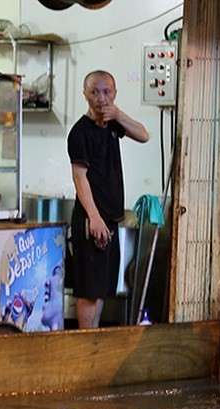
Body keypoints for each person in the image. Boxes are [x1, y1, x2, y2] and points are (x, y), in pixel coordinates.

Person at [67, 70, 149, 329]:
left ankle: (93, 345)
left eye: (106, 92)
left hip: (110, 219)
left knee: (101, 287)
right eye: (94, 92)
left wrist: (118, 114)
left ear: (114, 94)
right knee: (89, 288)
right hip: (92, 219)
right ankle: (85, 346)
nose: (101, 98)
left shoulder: (113, 125)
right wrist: (94, 218)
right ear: (85, 95)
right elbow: (80, 178)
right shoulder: (80, 132)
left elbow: (144, 135)